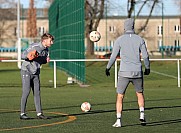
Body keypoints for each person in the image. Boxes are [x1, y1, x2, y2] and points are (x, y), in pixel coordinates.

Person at [105, 18, 150, 127]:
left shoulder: (120, 40)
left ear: (125, 27)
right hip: (137, 72)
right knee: (139, 93)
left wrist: (108, 68)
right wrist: (147, 67)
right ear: (133, 26)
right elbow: (145, 56)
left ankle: (119, 120)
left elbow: (113, 56)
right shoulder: (140, 39)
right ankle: (142, 114)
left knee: (120, 96)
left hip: (124, 73)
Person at [20, 33, 54, 120]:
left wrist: (45, 61)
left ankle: (39, 114)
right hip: (26, 71)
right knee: (26, 91)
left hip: (36, 72)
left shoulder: (46, 50)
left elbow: (41, 61)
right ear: (44, 40)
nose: (52, 42)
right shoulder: (34, 46)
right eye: (51, 41)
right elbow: (22, 55)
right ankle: (22, 113)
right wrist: (28, 56)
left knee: (37, 93)